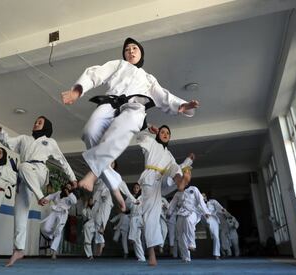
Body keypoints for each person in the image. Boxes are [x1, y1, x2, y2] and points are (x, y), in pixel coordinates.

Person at [60, 37, 199, 212]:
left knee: (124, 125)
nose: (131, 51)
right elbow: (95, 73)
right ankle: (115, 189)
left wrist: (182, 106)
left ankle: (93, 174)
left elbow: (163, 96)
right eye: (127, 49)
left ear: (141, 54)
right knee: (89, 131)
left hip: (134, 107)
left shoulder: (148, 78)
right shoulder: (118, 65)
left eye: (135, 48)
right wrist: (77, 90)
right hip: (110, 103)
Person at [0, 116, 77, 266]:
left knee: (23, 166)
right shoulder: (24, 139)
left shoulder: (50, 142)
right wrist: (0, 133)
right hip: (24, 177)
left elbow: (62, 160)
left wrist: (73, 177)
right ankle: (18, 249)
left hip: (40, 172)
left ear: (46, 126)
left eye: (40, 122)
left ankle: (40, 196)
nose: (36, 123)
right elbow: (8, 143)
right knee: (19, 212)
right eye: (35, 121)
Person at [136, 125, 192, 266]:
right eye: (162, 132)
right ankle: (152, 254)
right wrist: (148, 129)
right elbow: (139, 136)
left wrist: (188, 162)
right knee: (150, 215)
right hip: (150, 180)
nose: (165, 134)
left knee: (174, 166)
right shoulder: (151, 142)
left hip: (165, 181)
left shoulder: (169, 154)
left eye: (168, 133)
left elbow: (177, 167)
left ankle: (180, 183)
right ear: (158, 134)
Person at [168, 184, 210, 263]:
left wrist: (206, 211)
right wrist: (169, 213)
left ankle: (192, 244)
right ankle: (186, 257)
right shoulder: (177, 194)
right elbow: (172, 205)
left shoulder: (193, 189)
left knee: (188, 221)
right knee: (180, 234)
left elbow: (200, 200)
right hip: (181, 213)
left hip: (193, 211)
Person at [40, 185, 77, 259]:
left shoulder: (71, 196)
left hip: (63, 214)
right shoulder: (58, 193)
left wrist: (68, 194)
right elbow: (51, 196)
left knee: (58, 231)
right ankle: (51, 236)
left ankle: (54, 252)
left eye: (69, 187)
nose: (68, 188)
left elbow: (74, 202)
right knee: (45, 228)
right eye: (67, 186)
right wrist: (46, 199)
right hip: (54, 211)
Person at [201, 193, 223, 260]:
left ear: (206, 197)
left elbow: (219, 206)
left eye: (204, 196)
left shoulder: (212, 201)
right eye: (201, 196)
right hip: (203, 218)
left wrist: (222, 209)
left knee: (216, 237)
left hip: (212, 219)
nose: (203, 197)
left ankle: (217, 255)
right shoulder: (198, 204)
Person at [127, 183, 146, 262]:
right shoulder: (130, 197)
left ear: (140, 189)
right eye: (135, 188)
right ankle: (141, 257)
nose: (136, 189)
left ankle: (141, 256)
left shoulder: (143, 197)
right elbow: (126, 207)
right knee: (137, 239)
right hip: (133, 217)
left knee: (137, 238)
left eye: (137, 188)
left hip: (140, 218)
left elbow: (145, 207)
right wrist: (133, 202)